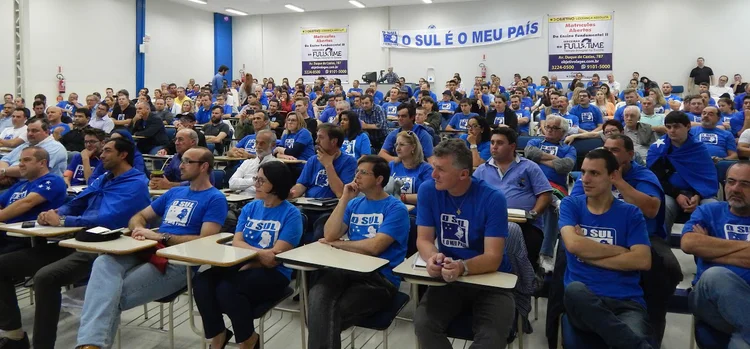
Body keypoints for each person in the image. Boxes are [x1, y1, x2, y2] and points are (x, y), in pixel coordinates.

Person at [0, 138, 150, 349]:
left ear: (123, 155)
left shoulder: (136, 183)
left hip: (105, 247)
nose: (102, 154)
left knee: (45, 277)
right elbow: (76, 202)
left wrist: (63, 221)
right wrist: (56, 213)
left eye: (107, 151)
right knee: (3, 265)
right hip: (76, 240)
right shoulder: (103, 179)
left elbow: (110, 218)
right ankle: (14, 335)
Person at [75, 147, 227, 349]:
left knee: (108, 296)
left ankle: (91, 345)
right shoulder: (175, 192)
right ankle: (92, 345)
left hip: (178, 261)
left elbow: (204, 241)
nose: (180, 166)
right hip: (147, 249)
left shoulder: (215, 198)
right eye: (182, 160)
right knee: (104, 261)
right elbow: (139, 216)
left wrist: (160, 236)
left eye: (187, 161)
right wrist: (138, 229)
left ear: (204, 166)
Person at [569, 135, 680, 345]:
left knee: (666, 267)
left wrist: (618, 182)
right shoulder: (591, 176)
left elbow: (651, 210)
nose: (609, 154)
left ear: (630, 155)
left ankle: (652, 328)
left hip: (642, 235)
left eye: (615, 150)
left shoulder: (643, 175)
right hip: (595, 231)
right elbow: (575, 203)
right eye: (606, 149)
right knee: (564, 261)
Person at [413, 138, 515, 348]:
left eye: (440, 170)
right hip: (450, 278)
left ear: (463, 174)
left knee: (491, 338)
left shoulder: (493, 198)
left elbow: (493, 258)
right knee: (424, 325)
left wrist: (462, 267)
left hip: (491, 281)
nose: (433, 175)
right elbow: (423, 239)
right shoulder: (428, 190)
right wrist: (433, 257)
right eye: (433, 167)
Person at [195, 160, 301, 349]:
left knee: (227, 289)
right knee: (202, 281)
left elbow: (275, 257)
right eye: (255, 179)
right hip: (241, 263)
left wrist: (251, 259)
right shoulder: (251, 207)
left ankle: (248, 340)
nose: (255, 184)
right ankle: (219, 334)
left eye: (261, 180)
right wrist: (257, 255)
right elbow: (237, 242)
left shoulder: (292, 215)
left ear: (276, 184)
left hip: (275, 273)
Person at [307, 155, 409, 349]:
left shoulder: (396, 209)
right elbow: (329, 235)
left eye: (363, 172)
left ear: (379, 179)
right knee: (317, 295)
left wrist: (340, 244)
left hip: (379, 280)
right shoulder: (354, 204)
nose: (357, 176)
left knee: (325, 314)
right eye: (356, 172)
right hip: (347, 271)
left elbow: (374, 248)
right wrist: (345, 198)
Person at [559, 149, 653, 349]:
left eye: (594, 173)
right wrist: (622, 251)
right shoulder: (571, 205)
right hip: (583, 301)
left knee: (625, 335)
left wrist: (586, 254)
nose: (585, 179)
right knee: (575, 290)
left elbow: (642, 261)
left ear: (612, 176)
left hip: (626, 303)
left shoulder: (631, 213)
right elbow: (574, 245)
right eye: (583, 172)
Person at [681, 161, 750, 349]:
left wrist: (711, 251)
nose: (735, 188)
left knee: (742, 340)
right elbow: (689, 243)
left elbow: (701, 246)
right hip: (710, 301)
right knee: (715, 275)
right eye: (731, 181)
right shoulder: (708, 211)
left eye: (745, 184)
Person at [474, 127, 554, 272]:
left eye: (499, 143)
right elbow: (472, 197)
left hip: (525, 224)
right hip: (490, 223)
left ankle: (527, 280)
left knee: (529, 243)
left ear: (512, 146)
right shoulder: (481, 170)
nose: (494, 146)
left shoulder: (529, 167)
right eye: (492, 142)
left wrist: (533, 214)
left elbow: (545, 194)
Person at [648, 111, 718, 234]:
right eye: (668, 127)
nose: (672, 130)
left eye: (676, 126)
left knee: (713, 206)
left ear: (688, 127)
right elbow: (656, 179)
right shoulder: (658, 149)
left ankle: (712, 249)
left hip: (699, 193)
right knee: (662, 206)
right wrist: (677, 195)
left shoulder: (699, 149)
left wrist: (698, 195)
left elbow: (708, 176)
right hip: (670, 192)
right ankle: (661, 248)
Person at [0, 147, 67, 254]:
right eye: (20, 161)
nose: (21, 164)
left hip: (28, 240)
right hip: (6, 234)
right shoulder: (21, 184)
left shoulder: (52, 181)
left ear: (42, 163)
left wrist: (1, 215)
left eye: (26, 160)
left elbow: (27, 203)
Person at [289, 124, 357, 199]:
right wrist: (291, 194)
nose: (316, 141)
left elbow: (340, 193)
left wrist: (328, 165)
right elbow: (302, 185)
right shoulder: (313, 160)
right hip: (309, 204)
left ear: (333, 141)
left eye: (321, 137)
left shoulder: (349, 162)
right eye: (317, 137)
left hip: (332, 207)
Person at [524, 115, 576, 194]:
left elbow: (566, 166)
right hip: (531, 182)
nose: (549, 130)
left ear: (563, 131)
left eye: (554, 128)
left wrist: (536, 158)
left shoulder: (569, 149)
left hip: (554, 186)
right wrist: (556, 159)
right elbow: (530, 153)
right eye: (547, 127)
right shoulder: (535, 142)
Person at [0, 118, 67, 179]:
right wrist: (3, 172)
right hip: (10, 179)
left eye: (34, 131)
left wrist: (4, 171)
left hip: (38, 185)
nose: (30, 134)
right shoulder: (26, 144)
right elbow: (5, 160)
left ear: (46, 132)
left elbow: (31, 170)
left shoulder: (55, 147)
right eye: (28, 131)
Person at [228, 129, 280, 196]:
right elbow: (232, 184)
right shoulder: (247, 163)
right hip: (241, 198)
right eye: (257, 142)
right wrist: (254, 180)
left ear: (273, 145)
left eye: (262, 143)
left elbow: (267, 189)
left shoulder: (277, 165)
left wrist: (242, 184)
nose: (258, 146)